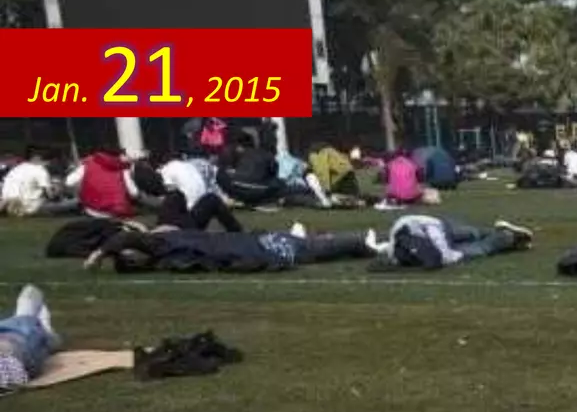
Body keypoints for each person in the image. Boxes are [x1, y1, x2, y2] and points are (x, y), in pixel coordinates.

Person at [84, 222, 377, 273]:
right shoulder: (174, 243)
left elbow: (128, 240)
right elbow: (129, 241)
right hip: (257, 245)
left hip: (260, 247)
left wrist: (99, 254)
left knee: (313, 248)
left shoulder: (165, 245)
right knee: (312, 247)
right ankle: (362, 243)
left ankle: (364, 243)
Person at [379, 215, 533, 269]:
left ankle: (509, 237)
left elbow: (443, 254)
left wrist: (454, 255)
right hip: (439, 226)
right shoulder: (403, 230)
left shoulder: (427, 233)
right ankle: (506, 234)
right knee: (473, 234)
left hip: (439, 230)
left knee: (479, 248)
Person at [0, 284, 60, 392]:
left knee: (30, 296)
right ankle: (46, 332)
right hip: (17, 348)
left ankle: (45, 331)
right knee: (30, 293)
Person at [66, 148, 139, 219]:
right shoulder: (123, 168)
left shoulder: (87, 164)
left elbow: (68, 182)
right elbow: (134, 193)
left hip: (93, 209)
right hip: (117, 211)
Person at [2, 149, 76, 217]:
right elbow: (51, 196)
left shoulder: (16, 169)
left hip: (9, 204)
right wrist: (59, 189)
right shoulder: (40, 170)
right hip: (30, 207)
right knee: (75, 202)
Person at [218, 133, 283, 207]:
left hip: (243, 190)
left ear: (239, 146)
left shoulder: (239, 155)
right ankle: (266, 200)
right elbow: (274, 171)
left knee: (221, 174)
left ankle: (235, 200)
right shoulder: (266, 154)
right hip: (265, 190)